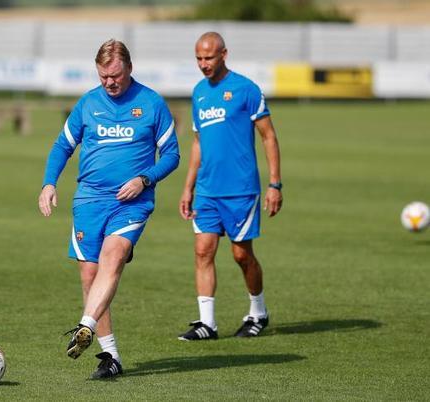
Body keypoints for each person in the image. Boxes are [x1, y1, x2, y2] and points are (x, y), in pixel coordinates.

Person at [38, 39, 180, 378]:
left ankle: (84, 325)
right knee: (90, 275)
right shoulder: (88, 103)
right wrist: (49, 182)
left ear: (129, 68)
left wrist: (145, 179)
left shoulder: (151, 103)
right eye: (103, 77)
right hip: (88, 200)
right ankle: (111, 356)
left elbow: (172, 155)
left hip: (131, 202)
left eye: (115, 75)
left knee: (113, 257)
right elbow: (63, 146)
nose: (109, 83)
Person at [178, 32, 282, 341]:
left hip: (240, 190)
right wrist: (188, 187)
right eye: (198, 58)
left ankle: (258, 312)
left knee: (241, 255)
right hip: (207, 191)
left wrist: (274, 184)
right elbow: (198, 143)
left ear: (224, 54)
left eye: (208, 57)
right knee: (202, 251)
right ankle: (206, 324)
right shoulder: (198, 92)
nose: (203, 64)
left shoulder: (246, 89)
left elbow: (268, 137)